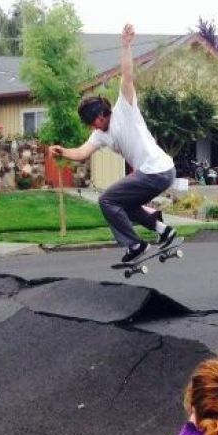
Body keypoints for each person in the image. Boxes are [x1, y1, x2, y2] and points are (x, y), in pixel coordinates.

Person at [48, 23, 177, 265]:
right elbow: (82, 152)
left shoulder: (124, 109)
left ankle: (136, 244)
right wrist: (63, 151)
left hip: (156, 170)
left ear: (101, 115)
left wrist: (126, 45)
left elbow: (127, 75)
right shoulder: (100, 135)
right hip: (160, 172)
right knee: (123, 205)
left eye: (93, 123)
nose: (93, 129)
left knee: (107, 200)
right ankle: (164, 231)